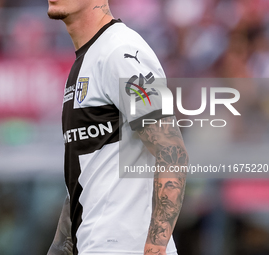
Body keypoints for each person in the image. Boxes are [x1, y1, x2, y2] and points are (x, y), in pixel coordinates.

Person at [47, 0, 188, 254]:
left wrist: (156, 247)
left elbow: (172, 151)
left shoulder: (121, 50)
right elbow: (89, 173)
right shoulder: (90, 59)